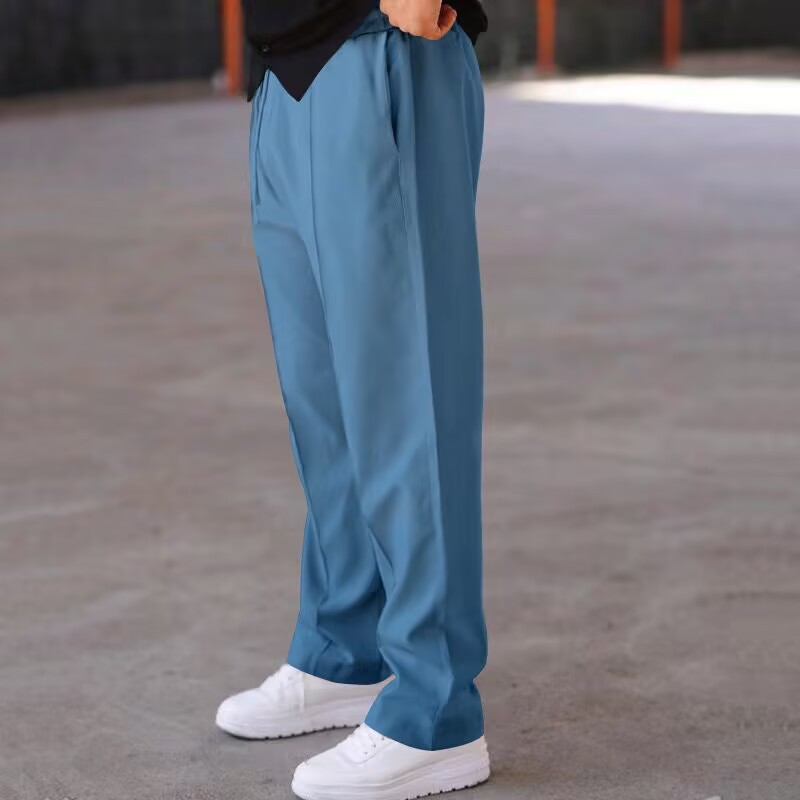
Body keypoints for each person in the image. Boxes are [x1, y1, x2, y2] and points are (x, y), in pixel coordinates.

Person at [216, 0, 489, 797]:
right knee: (325, 402)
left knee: (407, 395)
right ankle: (345, 648)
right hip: (284, 66)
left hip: (382, 46)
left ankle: (435, 712)